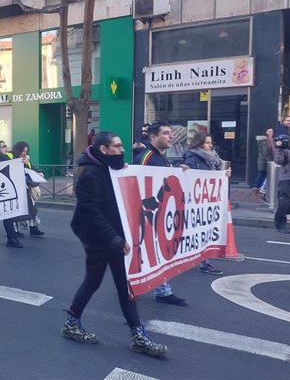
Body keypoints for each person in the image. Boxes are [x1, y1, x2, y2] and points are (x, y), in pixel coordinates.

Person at [62, 131, 167, 356]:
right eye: (117, 147)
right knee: (94, 281)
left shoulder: (114, 169)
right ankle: (72, 323)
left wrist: (181, 173)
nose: (122, 150)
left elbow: (146, 182)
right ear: (104, 150)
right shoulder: (91, 174)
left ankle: (137, 335)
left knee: (125, 286)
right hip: (100, 241)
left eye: (121, 146)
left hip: (117, 239)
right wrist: (114, 239)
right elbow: (91, 212)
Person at [134, 121, 187, 306]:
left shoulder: (161, 158)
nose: (170, 136)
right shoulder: (147, 157)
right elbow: (136, 185)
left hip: (158, 215)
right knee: (140, 253)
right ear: (153, 137)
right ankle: (132, 287)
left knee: (156, 253)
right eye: (165, 133)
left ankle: (163, 291)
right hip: (145, 215)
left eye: (170, 133)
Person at [183, 132, 229, 275]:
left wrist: (224, 174)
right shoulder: (192, 158)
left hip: (207, 203)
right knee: (197, 232)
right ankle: (202, 262)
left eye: (211, 143)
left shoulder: (213, 159)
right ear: (199, 144)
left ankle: (201, 260)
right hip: (196, 204)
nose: (210, 145)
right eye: (207, 143)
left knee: (202, 232)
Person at [11, 141, 45, 237]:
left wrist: (40, 172)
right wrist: (22, 164)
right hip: (15, 189)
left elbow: (32, 168)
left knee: (31, 209)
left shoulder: (26, 159)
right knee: (17, 211)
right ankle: (15, 231)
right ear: (18, 150)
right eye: (23, 151)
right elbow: (14, 171)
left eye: (26, 151)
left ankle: (34, 228)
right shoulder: (11, 158)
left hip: (25, 188)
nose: (24, 153)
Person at [273, 133, 290, 233]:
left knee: (286, 204)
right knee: (284, 203)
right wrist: (280, 148)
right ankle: (280, 224)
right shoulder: (284, 150)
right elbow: (278, 161)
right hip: (286, 179)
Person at [254, 128, 274, 195]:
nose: (271, 133)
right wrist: (270, 162)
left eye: (272, 132)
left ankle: (258, 189)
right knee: (262, 175)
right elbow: (265, 153)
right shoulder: (265, 141)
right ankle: (257, 189)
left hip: (264, 161)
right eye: (269, 131)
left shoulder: (270, 140)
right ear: (266, 132)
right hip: (264, 162)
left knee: (262, 175)